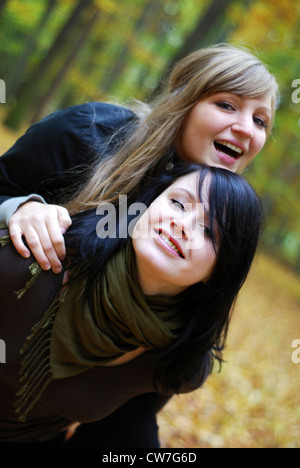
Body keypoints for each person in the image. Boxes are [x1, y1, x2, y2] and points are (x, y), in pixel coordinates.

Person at [0, 43, 279, 447]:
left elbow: (130, 402)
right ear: (185, 99)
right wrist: (16, 208)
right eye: (227, 105)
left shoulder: (207, 234)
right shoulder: (89, 131)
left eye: (261, 121)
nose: (246, 128)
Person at [0, 163, 263, 446]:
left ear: (219, 273)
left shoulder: (179, 360)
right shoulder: (30, 264)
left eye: (209, 231)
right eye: (177, 203)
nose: (182, 225)